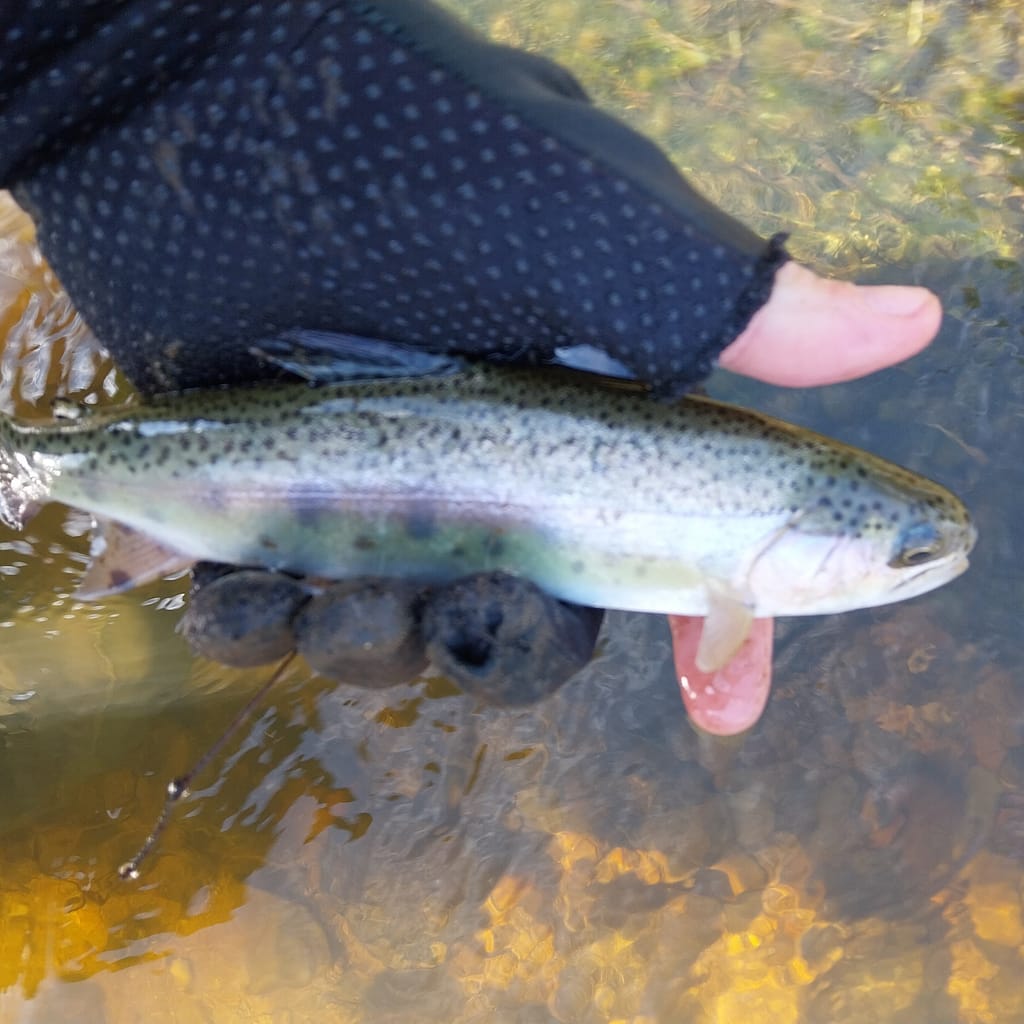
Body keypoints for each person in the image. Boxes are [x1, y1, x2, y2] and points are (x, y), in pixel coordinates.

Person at [0, 1, 940, 733]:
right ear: (816, 525)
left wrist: (104, 67)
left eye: (909, 549)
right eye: (906, 549)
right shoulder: (736, 568)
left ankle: (46, 466)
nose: (921, 559)